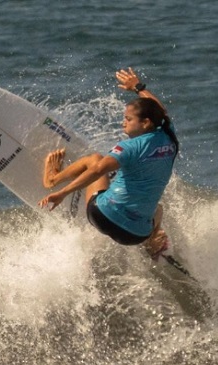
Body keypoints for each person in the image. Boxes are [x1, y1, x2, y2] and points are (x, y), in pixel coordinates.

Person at [38, 67, 179, 259]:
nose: (124, 123)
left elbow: (97, 170)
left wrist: (62, 194)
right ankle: (150, 242)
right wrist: (138, 87)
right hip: (135, 235)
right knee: (157, 210)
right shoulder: (168, 136)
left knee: (95, 159)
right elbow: (160, 110)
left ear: (146, 123)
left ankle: (53, 179)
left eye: (128, 119)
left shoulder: (130, 147)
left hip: (104, 217)